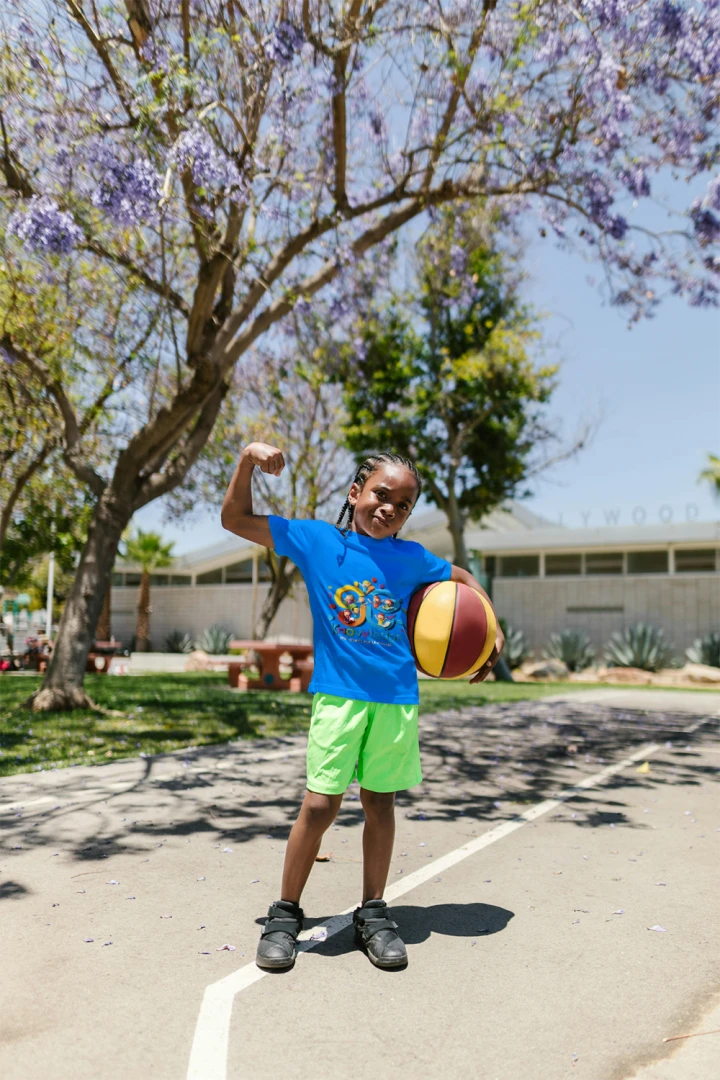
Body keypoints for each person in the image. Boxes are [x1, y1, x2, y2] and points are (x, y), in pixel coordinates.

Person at [221, 441, 504, 971]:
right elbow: (235, 518)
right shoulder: (318, 540)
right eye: (381, 494)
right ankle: (286, 913)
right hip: (339, 699)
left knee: (380, 804)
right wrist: (246, 461)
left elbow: (463, 581)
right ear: (355, 493)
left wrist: (491, 630)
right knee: (320, 806)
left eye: (403, 504)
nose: (390, 509)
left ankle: (372, 912)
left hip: (396, 701)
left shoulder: (415, 559)